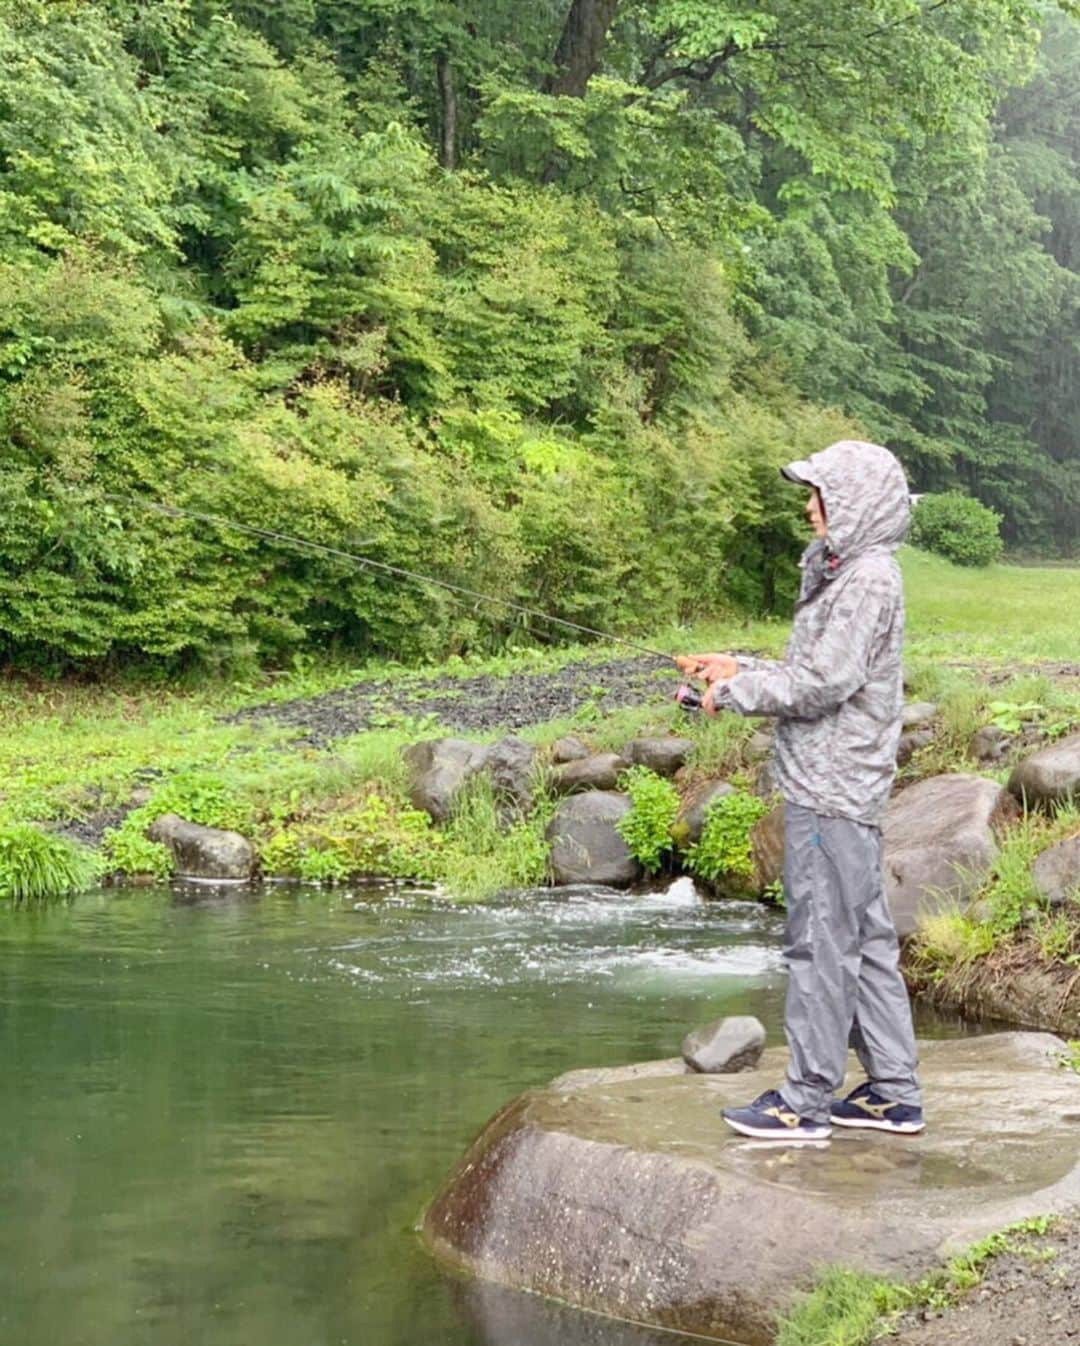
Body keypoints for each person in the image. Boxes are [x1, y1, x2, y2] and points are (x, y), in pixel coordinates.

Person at [676, 439, 923, 1142]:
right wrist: (739, 665)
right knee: (866, 938)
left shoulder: (868, 578)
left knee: (821, 942)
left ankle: (806, 1100)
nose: (811, 508)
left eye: (820, 495)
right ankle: (894, 1093)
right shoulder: (858, 573)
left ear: (857, 503)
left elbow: (823, 683)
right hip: (844, 784)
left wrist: (736, 691)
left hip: (832, 788)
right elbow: (820, 666)